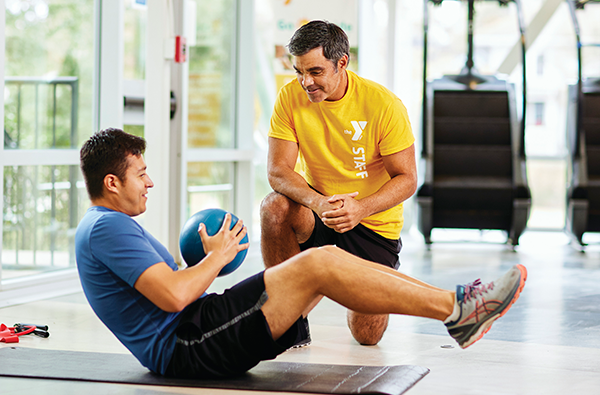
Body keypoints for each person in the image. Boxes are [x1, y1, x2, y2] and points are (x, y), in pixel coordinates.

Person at [75, 128, 527, 379]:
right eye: (141, 174)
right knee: (319, 261)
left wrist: (202, 266)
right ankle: (459, 309)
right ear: (112, 183)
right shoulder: (106, 229)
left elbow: (172, 289)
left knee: (324, 260)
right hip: (186, 345)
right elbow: (173, 298)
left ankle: (458, 306)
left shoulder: (109, 227)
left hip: (199, 325)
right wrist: (217, 256)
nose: (149, 182)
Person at [261, 20, 417, 345]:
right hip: (321, 212)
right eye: (299, 71)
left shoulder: (383, 105)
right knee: (274, 207)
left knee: (367, 336)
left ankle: (340, 281)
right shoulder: (290, 97)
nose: (306, 82)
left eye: (316, 72)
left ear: (342, 62)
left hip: (372, 225)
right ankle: (291, 315)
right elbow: (278, 171)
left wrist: (361, 208)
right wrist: (317, 202)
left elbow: (407, 179)